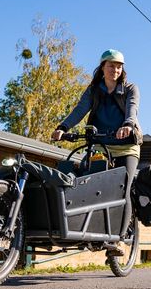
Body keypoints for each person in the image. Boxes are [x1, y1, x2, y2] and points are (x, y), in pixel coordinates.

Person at [51, 49, 142, 253]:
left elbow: (132, 109)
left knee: (123, 188)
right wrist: (63, 128)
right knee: (93, 184)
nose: (115, 70)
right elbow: (79, 110)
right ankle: (95, 231)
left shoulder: (129, 88)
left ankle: (118, 239)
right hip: (101, 144)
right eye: (111, 66)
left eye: (119, 66)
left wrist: (128, 125)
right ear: (102, 67)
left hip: (126, 146)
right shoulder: (93, 91)